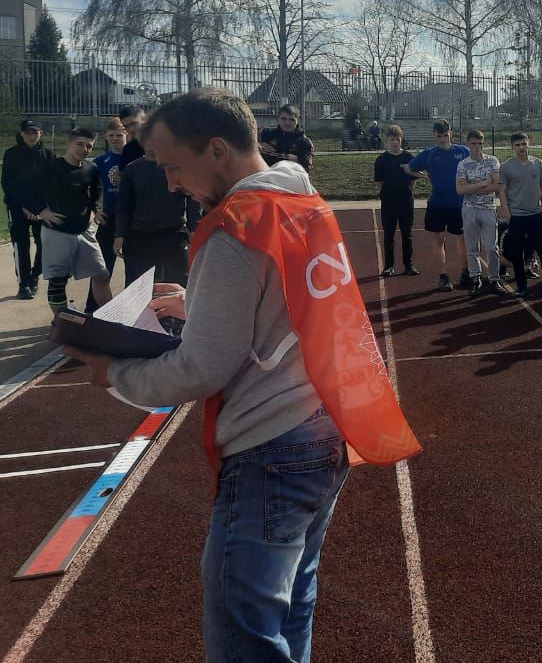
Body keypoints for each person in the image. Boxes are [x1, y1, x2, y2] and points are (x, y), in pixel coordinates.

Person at [58, 87, 420, 663]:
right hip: (325, 424)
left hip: (270, 447)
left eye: (174, 167)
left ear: (218, 149)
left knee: (245, 633)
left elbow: (200, 368)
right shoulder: (304, 202)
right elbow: (285, 306)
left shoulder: (233, 231)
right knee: (292, 603)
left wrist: (116, 373)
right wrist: (199, 304)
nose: (171, 184)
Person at [22, 127, 113, 315]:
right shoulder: (50, 167)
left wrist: (94, 209)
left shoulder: (90, 169)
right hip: (57, 232)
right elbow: (19, 189)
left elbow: (96, 191)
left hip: (84, 231)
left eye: (89, 146)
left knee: (102, 274)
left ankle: (109, 318)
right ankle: (62, 323)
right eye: (79, 144)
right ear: (68, 144)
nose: (84, 149)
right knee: (58, 281)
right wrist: (41, 211)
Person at [115, 136, 202, 285]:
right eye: (148, 138)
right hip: (140, 236)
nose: (152, 143)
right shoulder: (132, 169)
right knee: (139, 285)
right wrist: (119, 234)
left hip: (173, 234)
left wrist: (194, 227)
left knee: (179, 282)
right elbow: (124, 205)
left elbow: (192, 198)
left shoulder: (177, 167)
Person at [407, 119, 469, 291]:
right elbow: (409, 168)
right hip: (437, 204)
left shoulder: (463, 151)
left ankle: (466, 272)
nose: (443, 138)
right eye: (439, 135)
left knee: (462, 239)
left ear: (451, 133)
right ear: (434, 135)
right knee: (439, 239)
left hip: (459, 204)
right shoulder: (429, 153)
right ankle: (443, 276)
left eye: (445, 135)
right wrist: (424, 176)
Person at [498, 132, 542, 300]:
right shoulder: (506, 167)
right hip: (517, 217)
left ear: (529, 143)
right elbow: (502, 191)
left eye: (523, 144)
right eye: (517, 145)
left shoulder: (539, 164)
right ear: (512, 147)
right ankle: (522, 287)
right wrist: (507, 214)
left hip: (536, 216)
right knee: (516, 252)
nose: (521, 147)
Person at [3, 119, 51, 300]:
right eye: (28, 132)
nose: (32, 135)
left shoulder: (48, 155)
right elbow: (8, 184)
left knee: (44, 244)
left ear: (41, 133)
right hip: (17, 207)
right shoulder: (11, 154)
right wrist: (25, 206)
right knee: (21, 245)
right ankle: (23, 284)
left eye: (35, 132)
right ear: (21, 133)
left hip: (41, 209)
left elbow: (52, 184)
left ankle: (35, 276)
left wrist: (39, 208)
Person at [455, 130, 504, 295]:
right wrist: (484, 183)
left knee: (491, 247)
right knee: (472, 247)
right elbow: (460, 190)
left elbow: (497, 185)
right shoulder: (463, 164)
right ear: (468, 144)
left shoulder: (492, 161)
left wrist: (473, 187)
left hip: (488, 208)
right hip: (469, 209)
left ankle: (494, 279)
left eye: (480, 143)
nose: (477, 147)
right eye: (474, 143)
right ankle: (475, 278)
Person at [89, 119, 127, 309]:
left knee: (136, 268)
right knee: (101, 268)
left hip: (132, 219)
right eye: (111, 135)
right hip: (108, 218)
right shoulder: (99, 162)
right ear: (106, 136)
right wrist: (95, 210)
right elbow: (87, 189)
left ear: (126, 134)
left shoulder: (135, 158)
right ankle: (93, 309)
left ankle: (135, 309)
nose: (115, 139)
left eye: (119, 135)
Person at [373, 125, 418, 277]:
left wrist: (408, 193)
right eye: (392, 139)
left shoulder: (408, 158)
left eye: (397, 139)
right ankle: (389, 265)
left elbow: (413, 180)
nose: (394, 142)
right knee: (389, 234)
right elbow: (379, 183)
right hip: (388, 202)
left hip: (405, 201)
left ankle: (409, 264)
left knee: (407, 233)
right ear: (387, 141)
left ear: (401, 139)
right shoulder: (381, 160)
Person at [259, 104, 314, 172]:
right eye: (283, 119)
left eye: (291, 119)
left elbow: (305, 167)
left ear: (298, 120)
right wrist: (290, 158)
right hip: (265, 176)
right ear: (278, 118)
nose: (287, 122)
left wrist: (268, 153)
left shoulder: (304, 142)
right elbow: (250, 150)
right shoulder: (266, 133)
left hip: (289, 178)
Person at [118, 104, 147, 169]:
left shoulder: (160, 143)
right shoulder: (128, 149)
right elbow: (120, 177)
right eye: (126, 126)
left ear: (145, 120)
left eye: (134, 123)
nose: (131, 129)